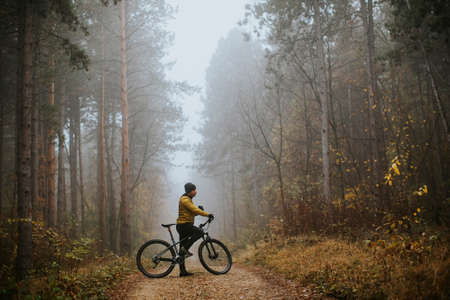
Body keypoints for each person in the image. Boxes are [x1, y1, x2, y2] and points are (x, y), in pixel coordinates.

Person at [176, 182, 214, 277]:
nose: (196, 191)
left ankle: (182, 271)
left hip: (183, 225)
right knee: (200, 232)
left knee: (181, 250)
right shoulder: (185, 200)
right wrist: (207, 214)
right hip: (184, 226)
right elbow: (194, 210)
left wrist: (198, 210)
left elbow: (191, 213)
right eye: (194, 190)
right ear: (190, 191)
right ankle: (185, 249)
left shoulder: (187, 199)